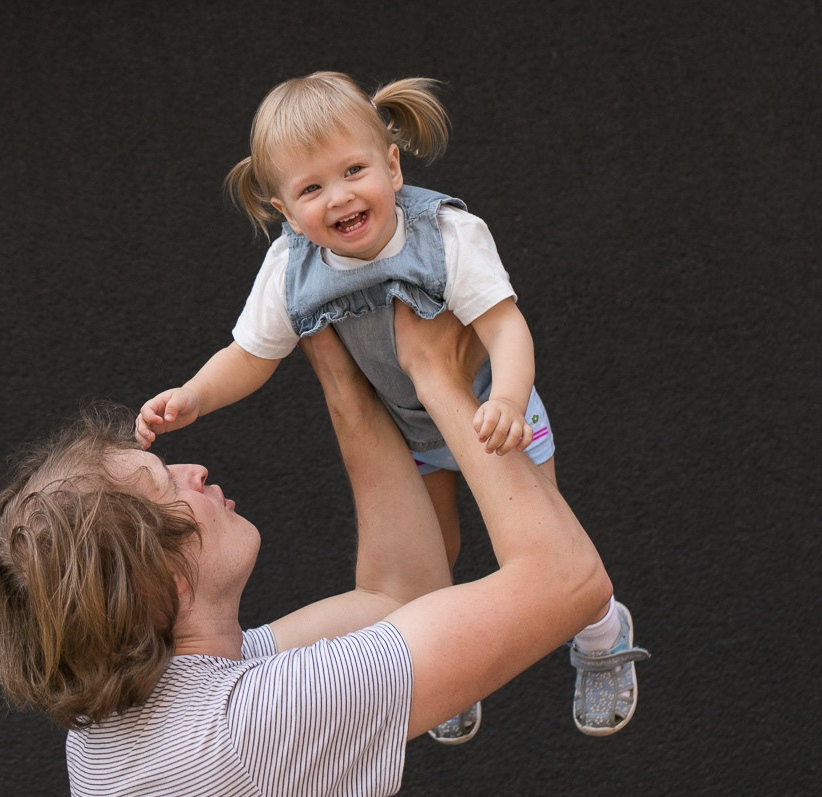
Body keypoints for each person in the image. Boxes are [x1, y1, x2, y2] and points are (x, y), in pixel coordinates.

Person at [133, 71, 645, 740]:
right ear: (285, 210)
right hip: (413, 434)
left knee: (543, 541)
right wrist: (195, 395)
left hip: (494, 415)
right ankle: (445, 666)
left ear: (393, 167)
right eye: (312, 189)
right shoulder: (291, 268)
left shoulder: (445, 234)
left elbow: (506, 329)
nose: (341, 196)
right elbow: (250, 354)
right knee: (430, 560)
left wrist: (509, 399)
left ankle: (603, 632)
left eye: (354, 171)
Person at [0, 309, 644, 795]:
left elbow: (398, 596)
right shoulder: (253, 724)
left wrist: (329, 339)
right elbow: (569, 582)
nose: (193, 470)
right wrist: (439, 375)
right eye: (165, 485)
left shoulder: (112, 726)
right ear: (159, 580)